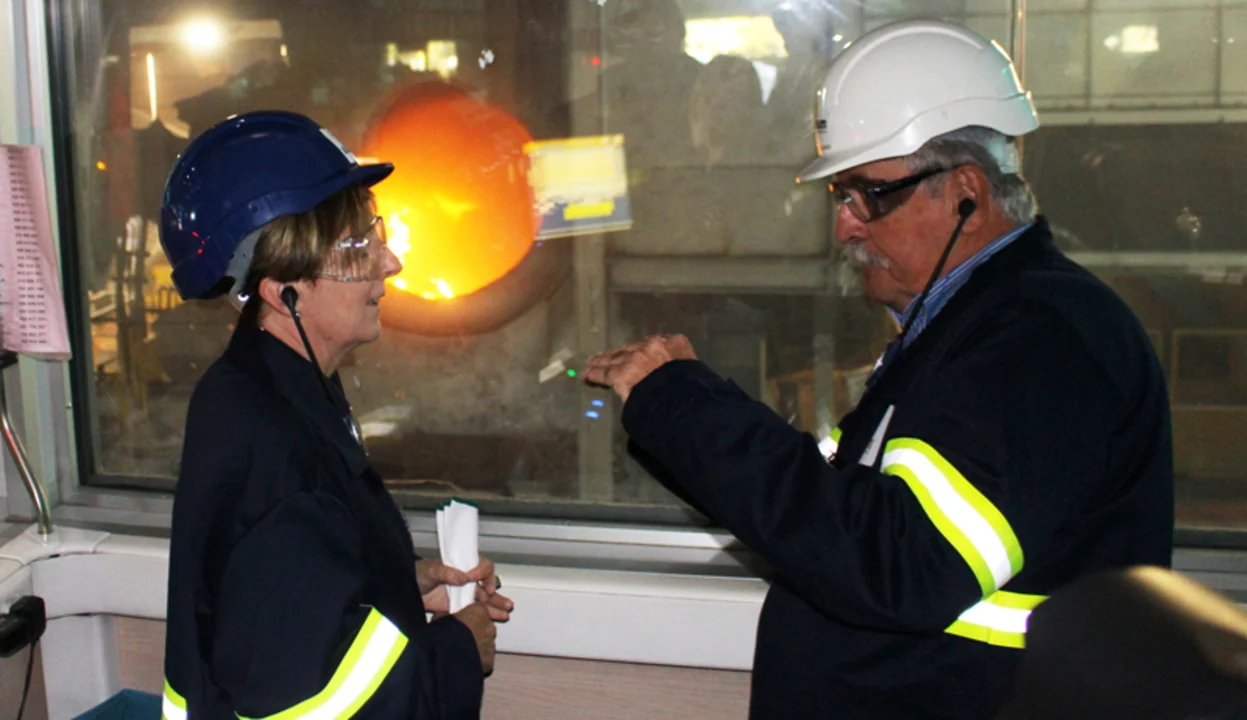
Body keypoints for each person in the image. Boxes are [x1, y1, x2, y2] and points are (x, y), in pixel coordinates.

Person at [585, 20, 1174, 720]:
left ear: (966, 193)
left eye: (870, 194)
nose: (846, 226)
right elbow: (834, 518)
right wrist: (686, 409)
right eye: (841, 195)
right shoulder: (965, 332)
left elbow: (901, 565)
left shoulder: (1041, 342)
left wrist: (689, 409)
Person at [158, 111, 512, 719]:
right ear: (283, 293)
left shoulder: (260, 387)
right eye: (355, 249)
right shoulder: (274, 443)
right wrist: (457, 647)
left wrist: (398, 585)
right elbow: (306, 704)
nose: (390, 263)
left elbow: (288, 603)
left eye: (374, 236)